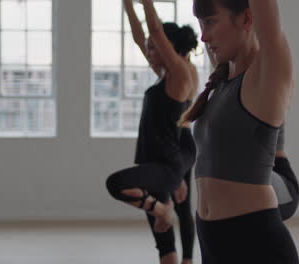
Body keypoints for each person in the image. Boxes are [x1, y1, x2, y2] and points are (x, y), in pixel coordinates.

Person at [178, 0, 299, 262]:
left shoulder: (267, 75)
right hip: (211, 239)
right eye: (201, 24)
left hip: (256, 243)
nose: (203, 35)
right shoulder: (222, 81)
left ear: (247, 19)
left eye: (210, 22)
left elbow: (267, 15)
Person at [106, 1, 198, 263]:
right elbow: (140, 36)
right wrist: (127, 5)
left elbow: (155, 32)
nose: (148, 48)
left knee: (180, 209)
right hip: (153, 154)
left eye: (154, 45)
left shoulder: (181, 73)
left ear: (167, 46)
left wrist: (146, 3)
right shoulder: (163, 73)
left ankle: (188, 257)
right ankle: (163, 215)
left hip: (172, 151)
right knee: (163, 241)